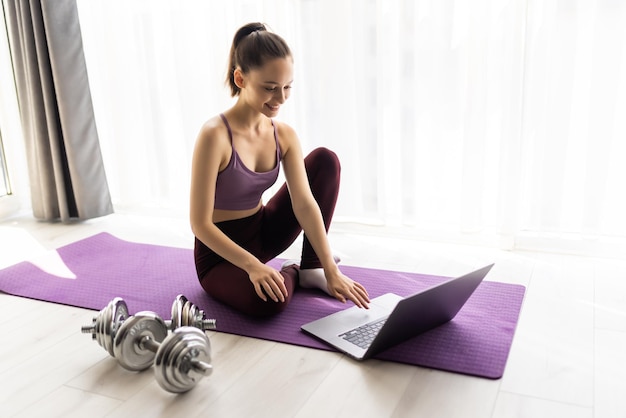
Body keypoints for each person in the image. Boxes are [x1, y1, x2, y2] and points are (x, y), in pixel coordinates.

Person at [190, 22, 370, 317]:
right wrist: (252, 266)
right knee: (268, 302)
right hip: (219, 256)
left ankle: (311, 270)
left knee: (325, 160)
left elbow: (304, 202)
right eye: (270, 88)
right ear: (240, 78)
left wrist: (329, 268)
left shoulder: (283, 135)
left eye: (287, 87)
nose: (281, 98)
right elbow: (200, 224)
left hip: (263, 232)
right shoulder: (214, 135)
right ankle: (294, 273)